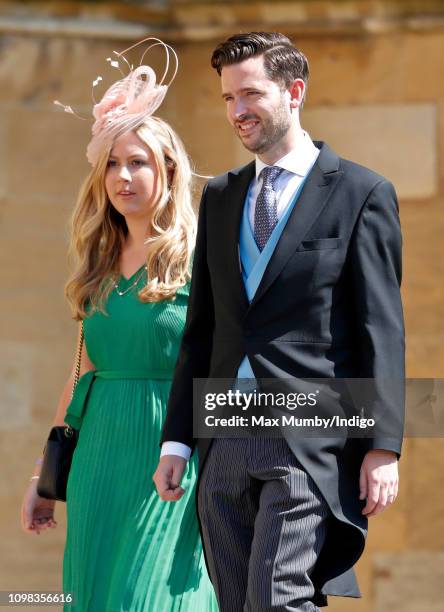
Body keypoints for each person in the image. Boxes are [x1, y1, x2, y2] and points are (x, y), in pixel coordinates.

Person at [154, 32, 405, 611]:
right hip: (223, 435)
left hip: (308, 436)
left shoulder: (362, 193)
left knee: (279, 597)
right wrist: (178, 441)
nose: (236, 111)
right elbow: (202, 330)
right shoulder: (219, 196)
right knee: (238, 601)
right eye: (226, 99)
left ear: (294, 92)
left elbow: (381, 331)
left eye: (250, 94)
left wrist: (383, 446)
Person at [21, 39, 217, 611]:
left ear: (169, 170)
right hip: (99, 456)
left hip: (172, 455)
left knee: (148, 597)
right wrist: (45, 474)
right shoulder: (96, 266)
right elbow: (80, 373)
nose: (122, 176)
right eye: (111, 162)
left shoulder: (202, 258)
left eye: (138, 162)